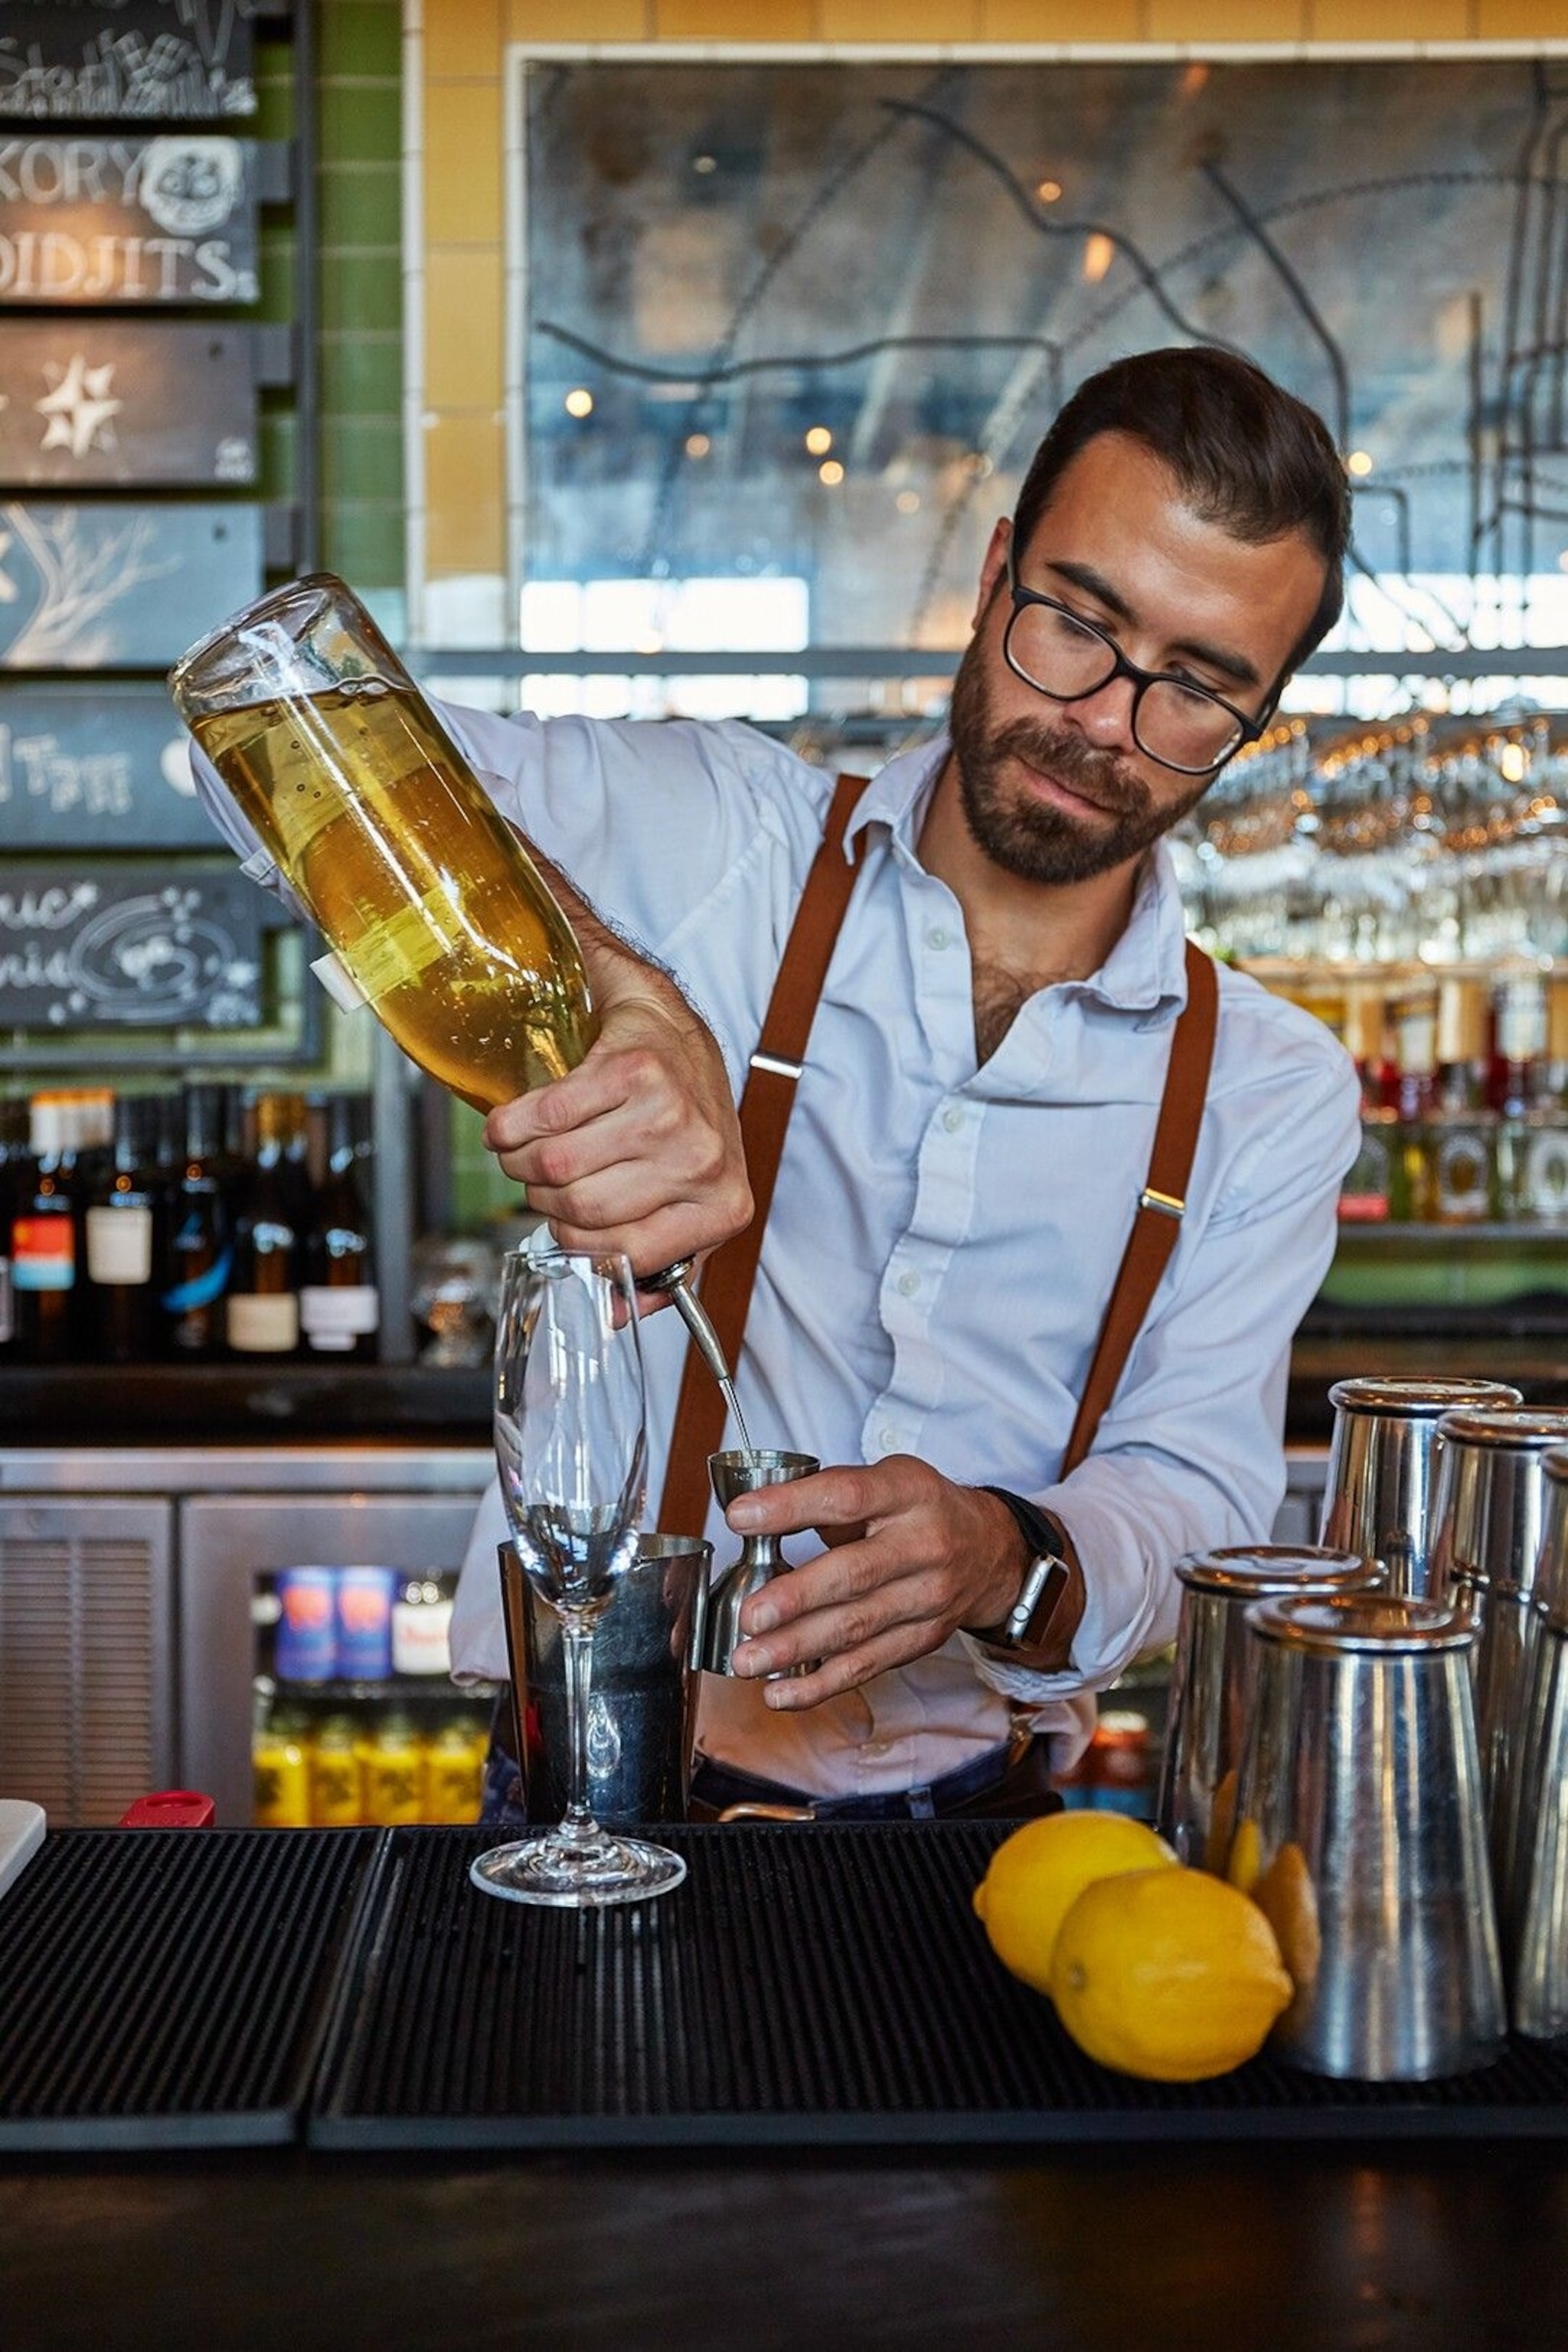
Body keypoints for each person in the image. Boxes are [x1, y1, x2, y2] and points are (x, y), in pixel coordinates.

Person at [201, 344, 1363, 1821]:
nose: (1101, 720)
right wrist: (620, 981)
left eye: (1196, 686)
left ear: (1259, 723)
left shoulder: (1270, 1088)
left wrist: (1005, 1557)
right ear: (996, 573)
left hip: (972, 1824)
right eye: (1077, 622)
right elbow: (273, 722)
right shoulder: (719, 835)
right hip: (594, 1787)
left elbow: (1194, 1492)